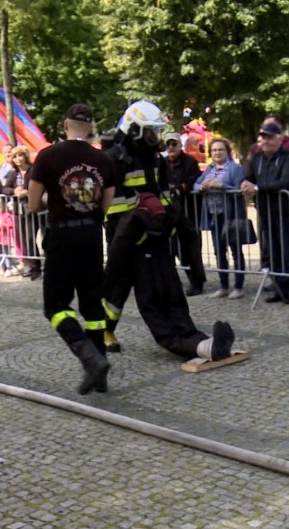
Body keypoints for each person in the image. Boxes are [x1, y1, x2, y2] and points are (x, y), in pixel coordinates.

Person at [103, 100, 235, 362]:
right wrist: (142, 216)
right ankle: (105, 332)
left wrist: (169, 218)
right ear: (134, 130)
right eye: (150, 131)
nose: (156, 137)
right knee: (126, 290)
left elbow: (162, 195)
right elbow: (113, 206)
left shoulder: (155, 159)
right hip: (128, 238)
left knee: (169, 288)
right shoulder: (113, 160)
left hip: (155, 236)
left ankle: (194, 337)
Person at [27, 102, 115, 395]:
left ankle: (89, 357)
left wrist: (55, 202)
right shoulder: (103, 161)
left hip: (62, 236)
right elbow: (105, 205)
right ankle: (99, 370)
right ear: (90, 127)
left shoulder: (48, 156)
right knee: (92, 305)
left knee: (55, 306)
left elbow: (32, 203)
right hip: (91, 234)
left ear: (65, 126)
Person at [240, 122, 289, 304]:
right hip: (264, 211)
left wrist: (258, 188)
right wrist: (245, 184)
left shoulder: (288, 157)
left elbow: (286, 181)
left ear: (279, 138)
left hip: (284, 212)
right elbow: (248, 176)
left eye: (268, 137)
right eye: (262, 137)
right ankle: (278, 287)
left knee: (287, 251)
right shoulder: (257, 158)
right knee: (271, 252)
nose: (264, 141)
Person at [194, 138, 247, 299]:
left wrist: (221, 186)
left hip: (230, 215)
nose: (217, 153)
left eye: (220, 150)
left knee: (235, 250)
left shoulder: (234, 169)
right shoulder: (209, 169)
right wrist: (202, 187)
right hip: (213, 215)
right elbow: (196, 184)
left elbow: (239, 190)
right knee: (219, 251)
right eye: (214, 150)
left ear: (227, 151)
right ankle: (223, 285)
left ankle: (238, 286)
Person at [164, 132, 206, 296]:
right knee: (171, 249)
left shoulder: (190, 162)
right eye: (168, 145)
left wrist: (178, 188)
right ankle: (173, 283)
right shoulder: (163, 163)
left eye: (174, 144)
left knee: (191, 250)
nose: (171, 147)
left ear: (180, 145)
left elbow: (192, 181)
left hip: (189, 212)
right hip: (171, 213)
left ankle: (197, 282)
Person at [3, 145, 42, 279]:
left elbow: (40, 186)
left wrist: (27, 191)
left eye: (20, 156)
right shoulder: (14, 173)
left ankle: (36, 266)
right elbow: (5, 188)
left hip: (31, 208)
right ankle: (28, 265)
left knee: (31, 237)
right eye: (15, 156)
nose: (18, 159)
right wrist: (14, 191)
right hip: (17, 209)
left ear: (25, 156)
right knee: (23, 239)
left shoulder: (33, 171)